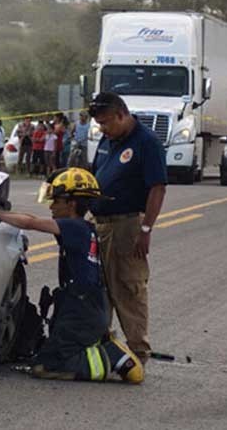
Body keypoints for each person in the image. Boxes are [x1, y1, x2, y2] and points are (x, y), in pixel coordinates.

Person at [0, 168, 144, 383]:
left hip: (82, 311)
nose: (51, 206)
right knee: (42, 359)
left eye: (56, 201)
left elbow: (32, 222)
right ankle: (96, 343)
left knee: (46, 367)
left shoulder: (75, 227)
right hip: (84, 306)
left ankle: (112, 355)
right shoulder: (83, 227)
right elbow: (34, 219)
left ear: (71, 204)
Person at [89, 92, 167, 364]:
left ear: (121, 115)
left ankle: (138, 352)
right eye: (99, 124)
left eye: (106, 123)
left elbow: (157, 188)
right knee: (99, 289)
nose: (102, 129)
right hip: (100, 224)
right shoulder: (108, 139)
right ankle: (105, 349)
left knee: (128, 288)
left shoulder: (146, 142)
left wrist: (145, 230)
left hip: (127, 225)